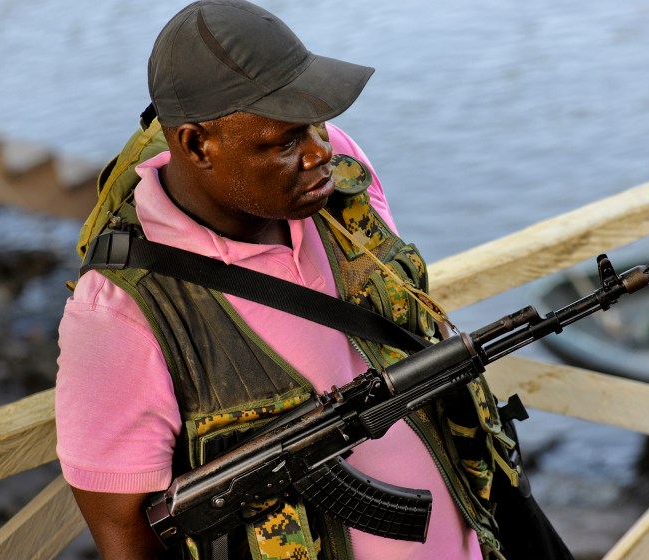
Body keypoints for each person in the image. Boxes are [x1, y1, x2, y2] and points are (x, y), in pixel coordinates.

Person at [56, 1, 527, 558]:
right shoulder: (120, 315)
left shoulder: (337, 179)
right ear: (195, 144)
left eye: (317, 123)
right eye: (283, 143)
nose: (320, 151)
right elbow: (124, 535)